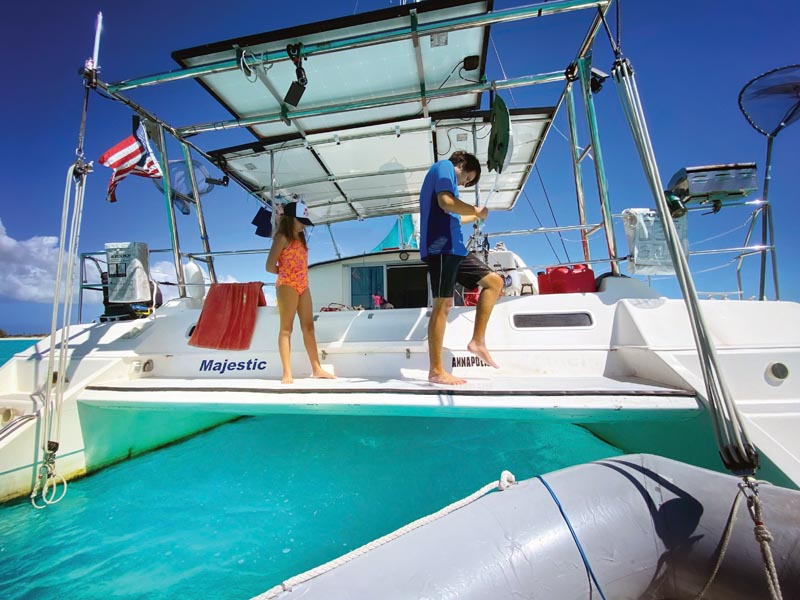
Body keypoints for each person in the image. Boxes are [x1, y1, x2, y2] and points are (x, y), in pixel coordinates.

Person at [419, 151, 504, 385]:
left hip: (455, 248)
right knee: (443, 304)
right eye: (468, 177)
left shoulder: (449, 181)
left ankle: (477, 341)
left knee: (494, 282)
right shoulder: (444, 167)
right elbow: (445, 202)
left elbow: (454, 214)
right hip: (441, 246)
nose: (465, 183)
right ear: (462, 164)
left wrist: (476, 215)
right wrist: (473, 210)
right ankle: (436, 371)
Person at [266, 200, 336, 384]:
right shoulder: (281, 237)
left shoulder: (300, 238)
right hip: (287, 284)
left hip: (303, 285)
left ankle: (317, 368)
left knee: (309, 327)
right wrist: (286, 274)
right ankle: (287, 373)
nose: (304, 224)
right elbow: (269, 266)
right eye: (301, 220)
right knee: (286, 328)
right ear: (291, 219)